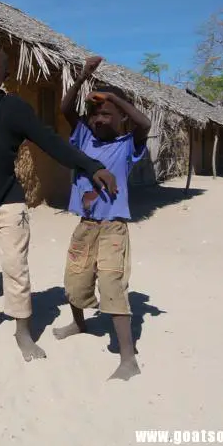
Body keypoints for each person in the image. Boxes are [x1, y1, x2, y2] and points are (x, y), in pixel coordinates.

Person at [0, 47, 117, 361]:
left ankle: (22, 333)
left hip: (8, 201)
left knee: (16, 269)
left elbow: (50, 141)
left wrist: (92, 166)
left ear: (6, 75)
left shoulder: (14, 107)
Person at [53, 55, 151, 381]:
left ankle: (127, 358)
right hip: (86, 224)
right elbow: (67, 109)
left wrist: (112, 97)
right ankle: (79, 323)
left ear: (122, 117)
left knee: (111, 283)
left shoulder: (127, 145)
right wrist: (82, 78)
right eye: (95, 113)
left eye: (108, 114)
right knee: (75, 279)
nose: (99, 118)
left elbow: (145, 124)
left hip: (113, 227)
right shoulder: (82, 137)